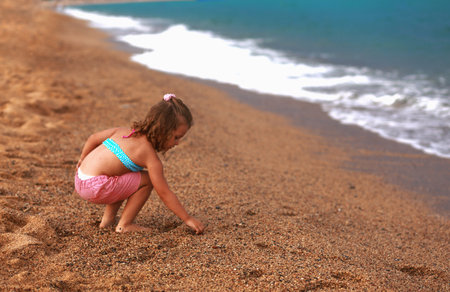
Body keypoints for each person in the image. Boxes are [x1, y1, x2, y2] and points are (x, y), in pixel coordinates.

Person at [74, 93, 205, 234]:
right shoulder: (149, 157)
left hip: (80, 178)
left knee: (125, 176)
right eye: (176, 137)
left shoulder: (123, 131)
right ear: (163, 130)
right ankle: (124, 225)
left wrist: (82, 159)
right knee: (147, 180)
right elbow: (164, 193)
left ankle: (107, 221)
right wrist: (187, 218)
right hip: (96, 188)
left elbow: (93, 138)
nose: (177, 143)